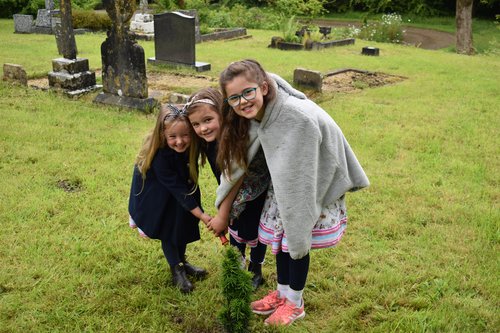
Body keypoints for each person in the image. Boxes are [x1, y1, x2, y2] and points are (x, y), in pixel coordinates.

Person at [212, 59, 370, 326]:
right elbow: (242, 160)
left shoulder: (296, 117)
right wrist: (223, 207)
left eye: (247, 92)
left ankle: (295, 303)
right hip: (284, 181)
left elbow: (304, 176)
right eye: (234, 98)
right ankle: (282, 293)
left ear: (263, 87)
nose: (242, 102)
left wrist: (296, 208)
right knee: (279, 240)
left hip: (309, 182)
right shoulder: (258, 112)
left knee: (295, 238)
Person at [185, 87, 270, 289]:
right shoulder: (208, 141)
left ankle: (256, 269)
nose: (203, 128)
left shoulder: (233, 139)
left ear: (222, 114)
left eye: (207, 120)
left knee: (255, 231)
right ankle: (237, 265)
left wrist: (222, 215)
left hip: (253, 190)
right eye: (195, 124)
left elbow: (235, 178)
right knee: (235, 227)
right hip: (232, 191)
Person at [128, 104, 211, 294]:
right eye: (173, 137)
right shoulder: (160, 155)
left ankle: (183, 260)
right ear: (163, 134)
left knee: (182, 225)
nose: (180, 142)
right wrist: (203, 216)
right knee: (168, 229)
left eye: (185, 135)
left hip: (181, 189)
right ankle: (176, 269)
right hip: (158, 196)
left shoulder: (194, 145)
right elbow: (177, 189)